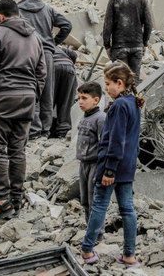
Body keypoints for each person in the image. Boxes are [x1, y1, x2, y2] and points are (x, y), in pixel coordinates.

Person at [0, 0, 46, 223]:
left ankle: (1, 202)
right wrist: (34, 94)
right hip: (27, 97)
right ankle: (16, 198)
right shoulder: (35, 36)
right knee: (18, 150)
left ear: (0, 16)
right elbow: (41, 71)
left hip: (2, 96)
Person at [81, 61, 144, 268]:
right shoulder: (134, 102)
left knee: (99, 205)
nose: (106, 88)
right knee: (127, 209)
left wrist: (108, 169)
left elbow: (116, 140)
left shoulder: (118, 105)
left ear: (119, 83)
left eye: (108, 84)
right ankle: (129, 255)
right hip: (127, 166)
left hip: (112, 166)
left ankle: (88, 249)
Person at [17, 0, 72, 139]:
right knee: (47, 92)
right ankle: (45, 132)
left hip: (27, 52)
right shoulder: (47, 8)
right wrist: (54, 43)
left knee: (31, 89)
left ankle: (34, 131)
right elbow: (67, 25)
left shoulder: (18, 9)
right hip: (47, 53)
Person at [102, 0, 153, 83]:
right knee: (134, 79)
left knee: (120, 80)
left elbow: (107, 25)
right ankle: (134, 98)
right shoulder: (141, 0)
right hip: (137, 46)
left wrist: (107, 45)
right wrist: (145, 43)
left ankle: (123, 98)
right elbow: (148, 24)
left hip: (119, 47)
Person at [75, 81, 106, 242]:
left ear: (96, 100)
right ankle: (90, 230)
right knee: (85, 200)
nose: (80, 101)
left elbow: (105, 145)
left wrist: (101, 169)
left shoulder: (100, 119)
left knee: (94, 200)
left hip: (95, 164)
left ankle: (98, 235)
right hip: (83, 164)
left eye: (84, 98)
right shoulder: (84, 117)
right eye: (79, 97)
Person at [52, 46, 78, 138]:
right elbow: (74, 54)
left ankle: (44, 129)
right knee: (66, 100)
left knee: (48, 100)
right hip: (69, 67)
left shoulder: (36, 44)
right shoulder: (58, 47)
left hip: (53, 67)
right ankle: (63, 131)